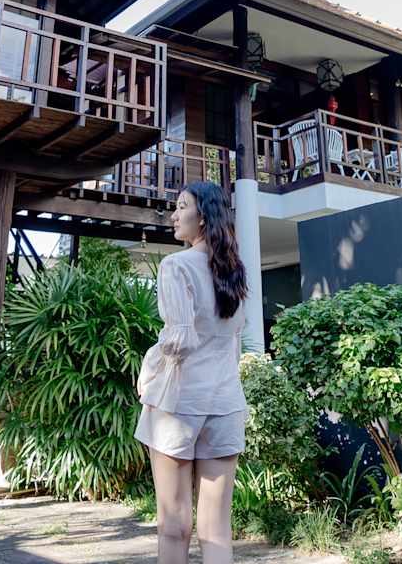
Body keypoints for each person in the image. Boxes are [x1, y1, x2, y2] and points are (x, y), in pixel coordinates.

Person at [135, 181, 250, 564]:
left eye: (181, 206)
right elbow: (233, 342)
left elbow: (178, 340)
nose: (173, 215)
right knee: (216, 530)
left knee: (174, 525)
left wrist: (148, 368)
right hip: (225, 402)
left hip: (179, 403)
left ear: (202, 217)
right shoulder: (234, 271)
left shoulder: (176, 265)